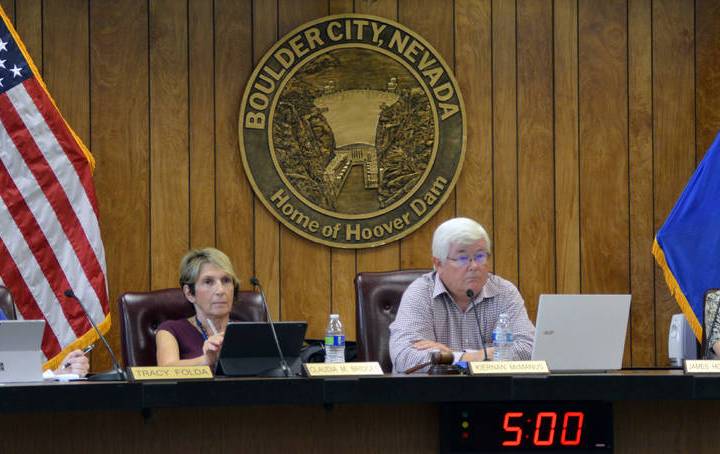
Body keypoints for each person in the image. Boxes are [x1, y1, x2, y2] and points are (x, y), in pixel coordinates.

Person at [389, 217, 535, 373]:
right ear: (438, 264)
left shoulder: (504, 292)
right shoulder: (421, 293)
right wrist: (485, 356)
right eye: (463, 258)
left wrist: (451, 356)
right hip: (433, 394)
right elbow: (404, 357)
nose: (474, 266)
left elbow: (529, 348)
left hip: (491, 393)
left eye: (480, 256)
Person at [155, 247, 240, 367]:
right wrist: (207, 360)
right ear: (189, 293)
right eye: (208, 282)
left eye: (226, 280)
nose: (220, 290)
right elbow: (165, 370)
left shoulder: (248, 332)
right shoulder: (170, 330)